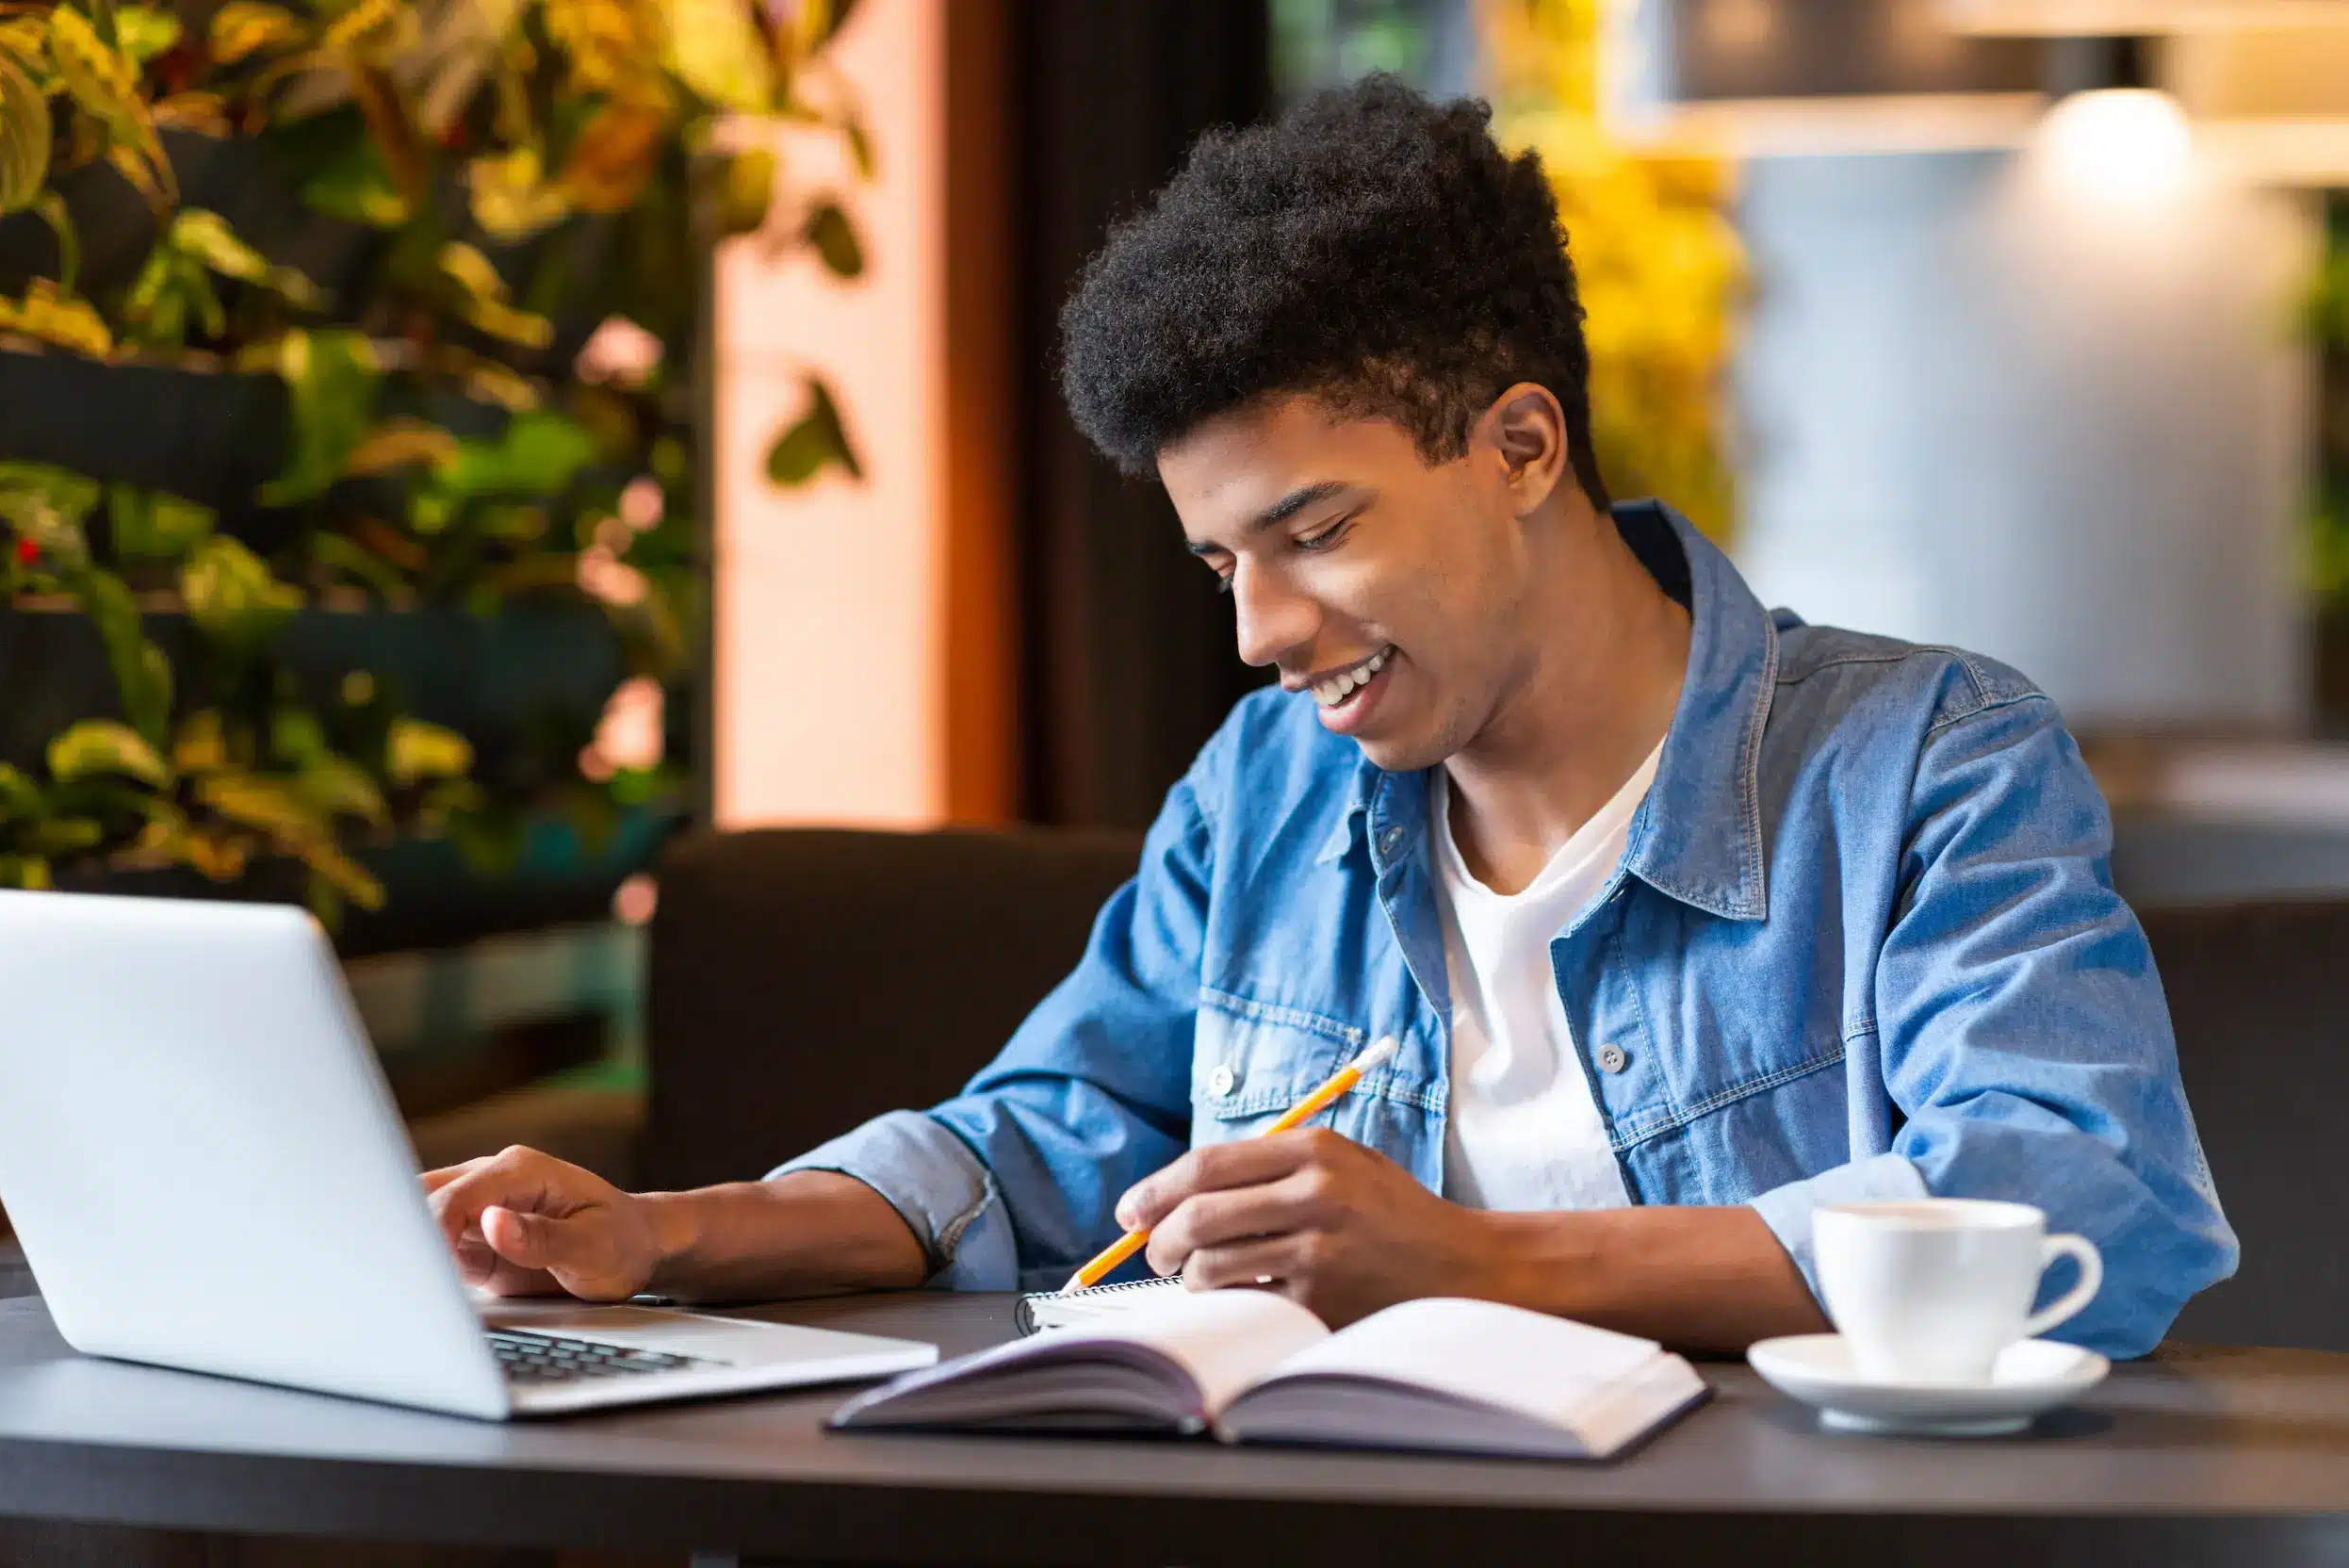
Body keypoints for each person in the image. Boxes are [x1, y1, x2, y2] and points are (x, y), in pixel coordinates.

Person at [426, 76, 2234, 1355]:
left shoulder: (1925, 763)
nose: (1262, 631)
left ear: (1522, 445)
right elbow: (1060, 1135)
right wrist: (665, 1235)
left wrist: (1471, 1264)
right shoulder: (1266, 796)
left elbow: (2084, 1206)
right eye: (1221, 564)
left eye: (1317, 531)